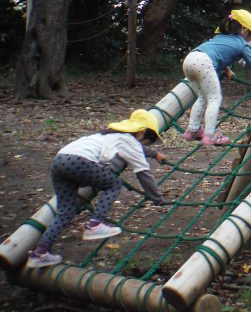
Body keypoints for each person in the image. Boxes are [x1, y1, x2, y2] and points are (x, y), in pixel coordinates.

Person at [27, 110, 166, 269]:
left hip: (59, 161)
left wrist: (155, 153)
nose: (144, 146)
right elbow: (143, 173)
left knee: (66, 211)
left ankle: (40, 252)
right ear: (141, 133)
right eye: (147, 142)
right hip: (79, 162)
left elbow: (139, 148)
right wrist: (157, 198)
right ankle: (95, 224)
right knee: (113, 184)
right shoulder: (130, 141)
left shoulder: (107, 134)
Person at [182, 9, 251, 146]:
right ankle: (211, 135)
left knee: (202, 97)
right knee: (214, 98)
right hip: (204, 62)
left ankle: (193, 130)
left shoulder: (220, 37)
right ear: (245, 31)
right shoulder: (242, 44)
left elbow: (219, 54)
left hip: (190, 59)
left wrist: (227, 69)